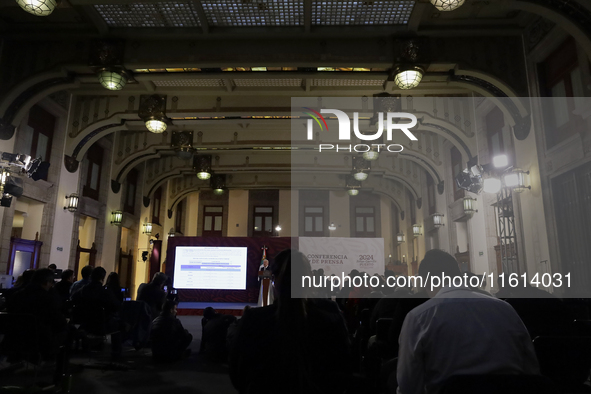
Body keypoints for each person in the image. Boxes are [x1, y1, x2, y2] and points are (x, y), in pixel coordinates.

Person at [396, 249, 539, 394]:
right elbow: (532, 370)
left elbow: (408, 385)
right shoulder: (505, 309)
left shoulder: (419, 317)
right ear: (457, 274)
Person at [229, 249, 352, 394]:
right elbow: (345, 366)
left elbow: (238, 373)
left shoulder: (254, 319)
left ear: (274, 279)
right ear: (309, 278)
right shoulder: (330, 313)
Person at [5, 268, 67, 361]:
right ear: (47, 282)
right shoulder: (46, 298)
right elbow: (58, 321)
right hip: (40, 339)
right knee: (68, 331)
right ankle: (58, 365)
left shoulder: (17, 295)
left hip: (14, 338)